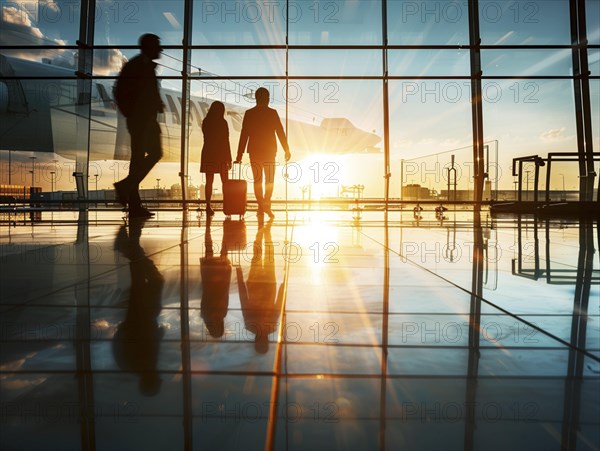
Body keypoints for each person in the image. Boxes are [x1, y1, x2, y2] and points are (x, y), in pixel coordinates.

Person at [113, 33, 164, 219]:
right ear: (149, 46)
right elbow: (121, 91)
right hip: (142, 121)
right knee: (154, 154)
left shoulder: (142, 66)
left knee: (137, 161)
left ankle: (133, 203)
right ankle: (126, 188)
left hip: (145, 120)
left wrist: (155, 104)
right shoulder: (138, 66)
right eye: (158, 45)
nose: (161, 48)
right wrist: (134, 114)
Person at [235, 87, 291, 219]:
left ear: (256, 98)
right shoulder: (272, 113)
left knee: (257, 181)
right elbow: (280, 132)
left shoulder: (249, 113)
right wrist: (286, 149)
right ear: (267, 98)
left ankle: (261, 206)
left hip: (255, 151)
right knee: (269, 180)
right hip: (270, 151)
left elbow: (244, 134)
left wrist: (239, 154)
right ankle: (266, 206)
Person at [200, 101, 232, 216]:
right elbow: (226, 141)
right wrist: (229, 158)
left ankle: (208, 205)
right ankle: (227, 205)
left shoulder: (206, 122)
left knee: (209, 182)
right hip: (221, 155)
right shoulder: (223, 123)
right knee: (225, 182)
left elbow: (206, 137)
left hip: (208, 154)